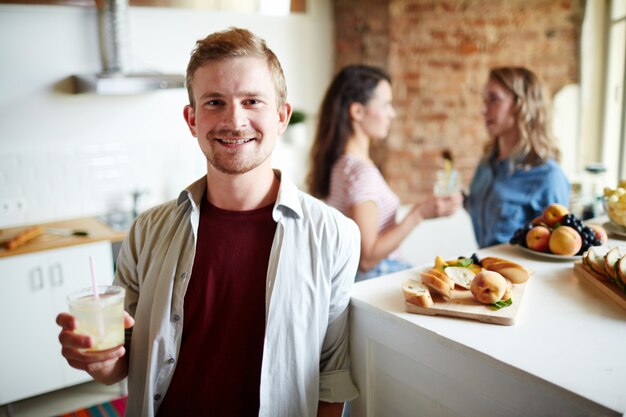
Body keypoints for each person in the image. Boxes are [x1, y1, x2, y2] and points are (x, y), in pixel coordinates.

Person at [56, 27, 360, 417]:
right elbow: (120, 362)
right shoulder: (147, 231)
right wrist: (98, 360)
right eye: (215, 102)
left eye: (252, 100)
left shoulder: (335, 235)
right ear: (192, 119)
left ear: (282, 116)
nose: (235, 121)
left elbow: (331, 375)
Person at [307, 65, 462, 281]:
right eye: (386, 105)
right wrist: (419, 214)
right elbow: (367, 257)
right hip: (377, 276)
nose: (392, 113)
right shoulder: (362, 172)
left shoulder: (342, 164)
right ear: (357, 111)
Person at [466, 66, 571, 248]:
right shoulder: (486, 163)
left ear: (521, 105)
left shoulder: (549, 177)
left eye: (494, 99)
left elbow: (558, 250)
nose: (483, 110)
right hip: (484, 270)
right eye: (484, 100)